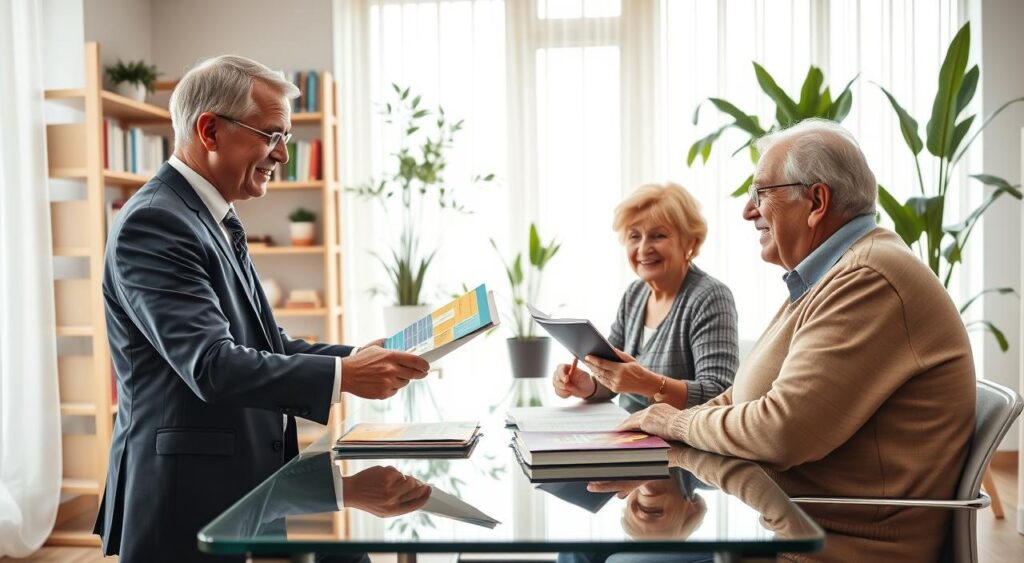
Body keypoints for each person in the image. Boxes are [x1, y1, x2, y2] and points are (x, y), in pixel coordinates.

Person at [93, 55, 430, 562]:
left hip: (236, 490)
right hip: (181, 501)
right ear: (210, 130)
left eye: (286, 139)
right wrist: (344, 375)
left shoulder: (211, 216)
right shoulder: (156, 223)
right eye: (272, 136)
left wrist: (358, 356)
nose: (283, 156)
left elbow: (262, 347)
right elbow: (211, 365)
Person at [620, 119, 975, 560]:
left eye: (761, 194)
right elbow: (739, 398)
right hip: (788, 523)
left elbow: (781, 431)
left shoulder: (867, 278)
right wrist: (655, 429)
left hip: (835, 548)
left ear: (816, 201)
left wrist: (672, 423)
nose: (748, 211)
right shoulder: (827, 274)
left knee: (627, 555)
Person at [552, 182, 739, 412]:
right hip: (631, 437)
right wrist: (587, 386)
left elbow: (719, 394)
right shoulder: (634, 295)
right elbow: (614, 382)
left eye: (658, 236)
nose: (643, 249)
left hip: (678, 442)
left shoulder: (709, 297)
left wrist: (648, 384)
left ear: (689, 242)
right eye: (634, 236)